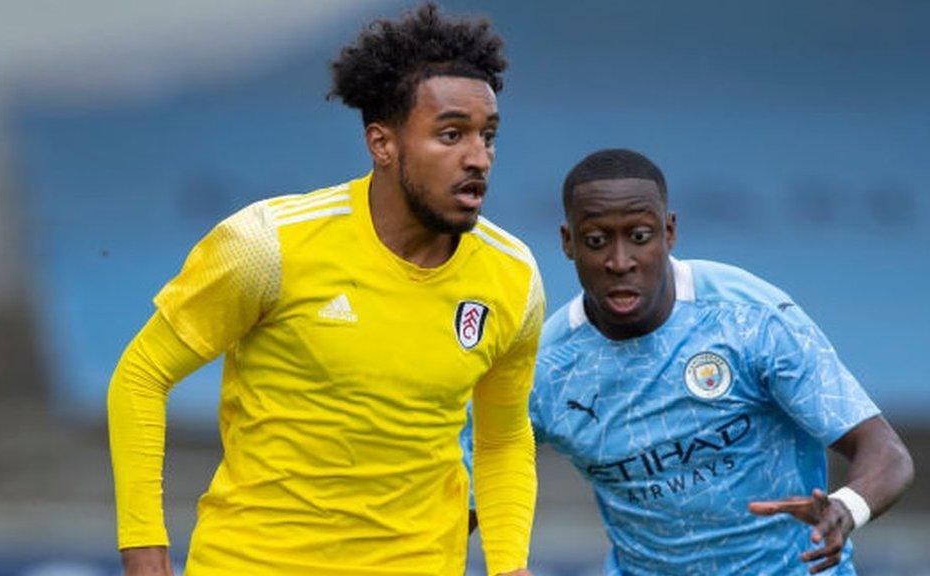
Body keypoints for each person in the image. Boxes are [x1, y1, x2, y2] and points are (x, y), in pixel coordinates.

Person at [107, 4, 542, 576]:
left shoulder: (513, 277)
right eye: (451, 134)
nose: (478, 157)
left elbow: (504, 437)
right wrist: (144, 551)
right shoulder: (267, 247)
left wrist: (509, 565)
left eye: (488, 136)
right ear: (382, 143)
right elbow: (141, 375)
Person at [466, 148, 913, 574]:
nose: (620, 262)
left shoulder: (749, 319)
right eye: (597, 240)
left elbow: (886, 454)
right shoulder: (546, 369)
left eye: (640, 237)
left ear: (670, 232)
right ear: (568, 242)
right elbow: (466, 493)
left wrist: (846, 508)